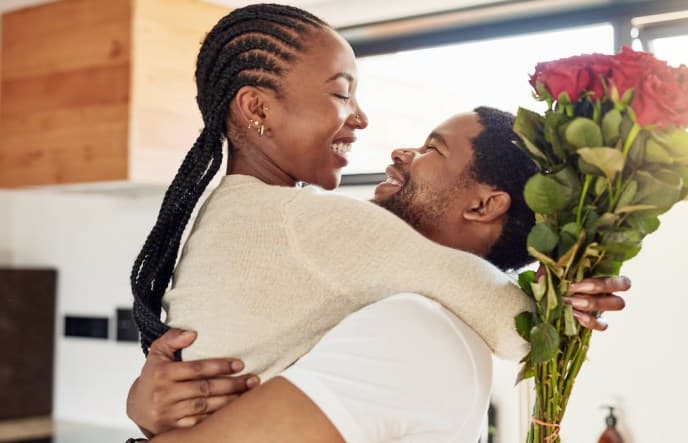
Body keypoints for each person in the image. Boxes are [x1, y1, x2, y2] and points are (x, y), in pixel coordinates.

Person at [131, 2, 623, 387]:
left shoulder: (245, 210)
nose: (362, 117)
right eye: (342, 93)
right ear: (257, 107)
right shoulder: (306, 223)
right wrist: (565, 298)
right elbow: (519, 332)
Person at [127, 108, 630, 442]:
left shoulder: (416, 328)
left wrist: (142, 421)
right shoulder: (408, 317)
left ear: (483, 204)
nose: (401, 153)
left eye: (432, 149)